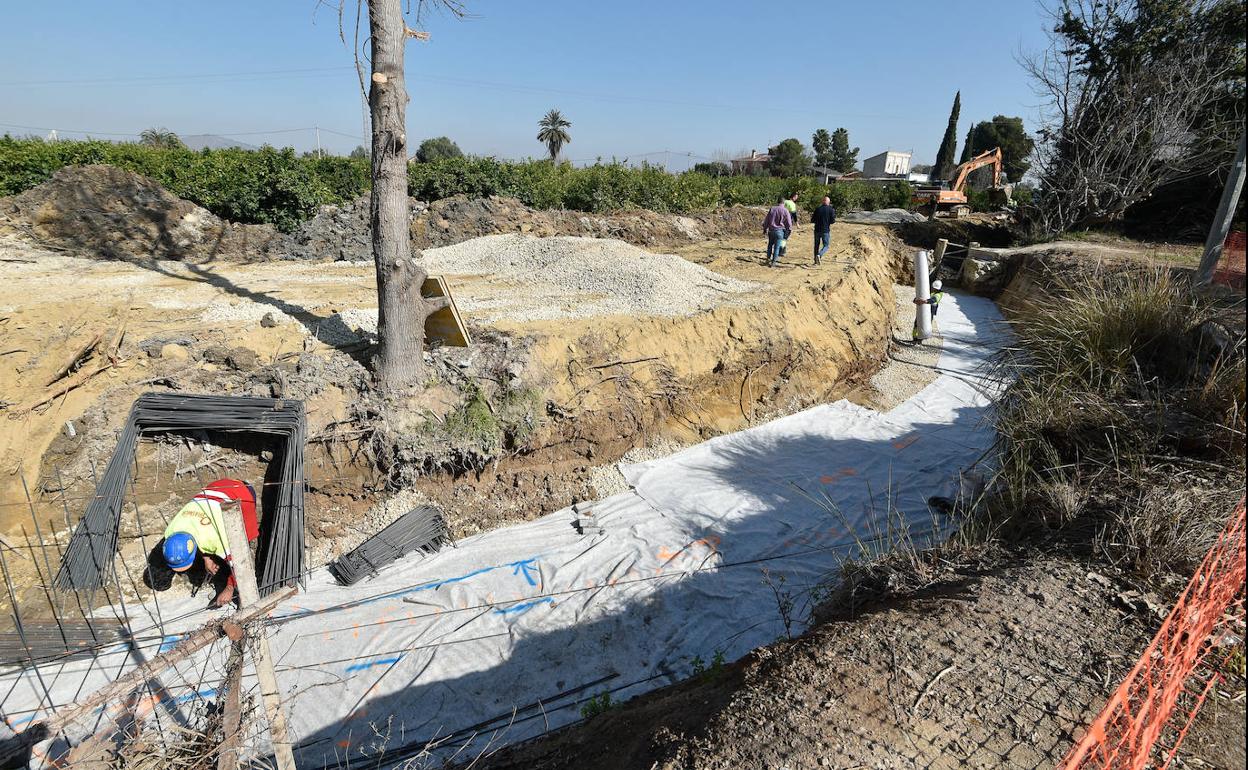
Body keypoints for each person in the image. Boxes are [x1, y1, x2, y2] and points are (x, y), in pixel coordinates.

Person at [159, 478, 260, 608]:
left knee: (244, 542)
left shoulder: (214, 539)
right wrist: (206, 558)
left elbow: (240, 562)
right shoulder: (171, 532)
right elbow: (196, 534)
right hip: (218, 486)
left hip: (243, 495)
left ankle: (248, 599)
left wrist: (229, 588)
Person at [763, 195, 794, 267]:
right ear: (784, 202)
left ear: (778, 201)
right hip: (780, 231)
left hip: (771, 230)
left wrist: (765, 228)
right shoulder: (786, 211)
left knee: (770, 245)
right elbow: (789, 223)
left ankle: (768, 259)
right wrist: (788, 230)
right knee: (777, 247)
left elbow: (767, 220)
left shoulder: (772, 209)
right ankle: (773, 262)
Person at [811, 196, 837, 265]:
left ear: (823, 201)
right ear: (828, 202)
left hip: (817, 230)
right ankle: (819, 255)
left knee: (816, 245)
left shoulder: (818, 209)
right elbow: (833, 221)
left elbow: (812, 220)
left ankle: (815, 261)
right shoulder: (831, 210)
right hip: (825, 230)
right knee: (826, 245)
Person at [780, 193, 800, 258]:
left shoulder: (784, 201)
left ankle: (782, 249)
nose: (796, 198)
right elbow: (794, 214)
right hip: (787, 222)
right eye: (796, 197)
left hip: (780, 221)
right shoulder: (792, 204)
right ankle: (781, 250)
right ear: (793, 197)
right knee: (785, 237)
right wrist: (797, 223)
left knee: (782, 236)